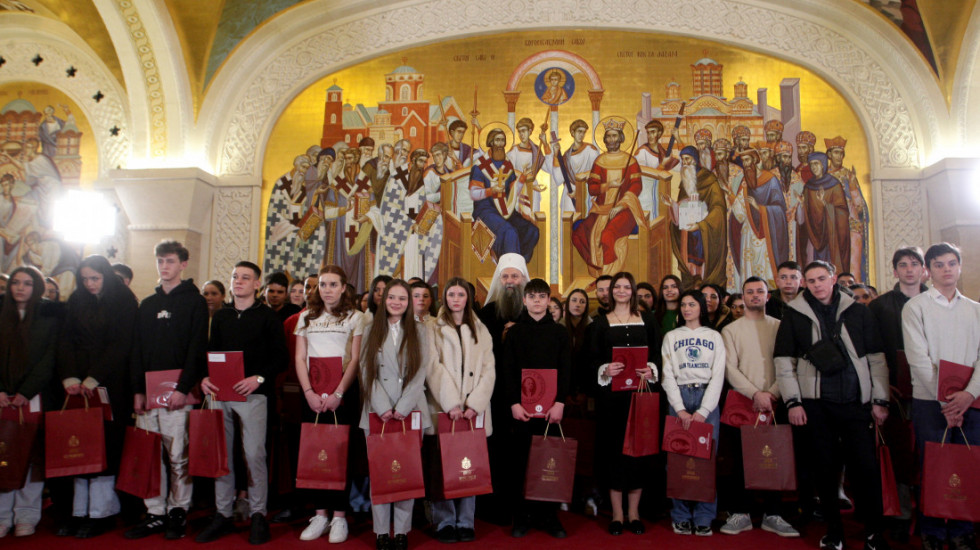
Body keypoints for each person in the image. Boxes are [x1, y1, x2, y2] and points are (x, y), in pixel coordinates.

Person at [774, 260, 890, 550]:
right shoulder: (794, 315)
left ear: (834, 278)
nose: (817, 285)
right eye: (811, 281)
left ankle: (874, 532)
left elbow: (876, 357)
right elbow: (784, 362)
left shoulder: (858, 311)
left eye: (821, 279)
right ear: (805, 284)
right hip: (816, 404)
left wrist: (880, 400)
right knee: (824, 470)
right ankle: (834, 531)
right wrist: (793, 402)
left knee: (865, 468)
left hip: (855, 402)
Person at [198, 261, 288, 545]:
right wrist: (204, 378)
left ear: (256, 284)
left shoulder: (267, 317)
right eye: (235, 277)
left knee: (253, 455)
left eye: (245, 278)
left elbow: (280, 359)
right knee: (222, 455)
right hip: (220, 393)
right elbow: (211, 352)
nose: (238, 281)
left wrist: (257, 379)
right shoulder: (222, 316)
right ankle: (223, 514)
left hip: (253, 395)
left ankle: (258, 514)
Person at [127, 240, 209, 540]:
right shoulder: (147, 304)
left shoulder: (194, 301)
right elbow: (137, 349)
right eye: (160, 261)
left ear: (183, 264)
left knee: (178, 455)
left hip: (179, 392)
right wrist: (137, 390)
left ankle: (178, 509)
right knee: (150, 454)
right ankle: (154, 511)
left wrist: (183, 387)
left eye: (170, 261)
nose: (164, 267)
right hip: (148, 392)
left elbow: (196, 349)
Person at [901, 243, 980, 550]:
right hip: (930, 403)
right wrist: (947, 401)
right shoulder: (916, 307)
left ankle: (962, 530)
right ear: (928, 271)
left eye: (952, 263)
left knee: (967, 466)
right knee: (932, 467)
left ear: (960, 267)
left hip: (971, 402)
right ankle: (931, 530)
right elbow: (918, 359)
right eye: (939, 265)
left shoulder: (975, 310)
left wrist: (968, 394)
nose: (946, 269)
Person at [56, 255, 138, 538]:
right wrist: (70, 377)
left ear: (105, 276)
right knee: (78, 446)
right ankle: (78, 511)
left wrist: (95, 377)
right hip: (77, 385)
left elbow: (122, 343)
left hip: (110, 384)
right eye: (85, 279)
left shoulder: (123, 300)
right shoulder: (77, 299)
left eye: (95, 278)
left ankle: (102, 512)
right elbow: (65, 339)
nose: (90, 284)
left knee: (105, 447)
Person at [719, 277, 799, 538]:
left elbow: (789, 363)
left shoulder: (781, 326)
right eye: (749, 292)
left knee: (775, 457)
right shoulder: (731, 330)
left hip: (776, 400)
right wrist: (755, 393)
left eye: (759, 292)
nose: (755, 296)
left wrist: (772, 393)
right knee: (740, 459)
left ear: (768, 296)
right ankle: (741, 513)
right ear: (742, 297)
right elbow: (730, 368)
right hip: (744, 401)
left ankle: (773, 514)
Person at [292, 266, 364, 543]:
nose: (328, 290)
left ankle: (340, 517)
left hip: (342, 396)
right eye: (323, 284)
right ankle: (320, 514)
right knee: (314, 453)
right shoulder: (305, 318)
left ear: (344, 287)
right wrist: (309, 392)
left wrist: (339, 393)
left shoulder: (356, 317)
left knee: (339, 454)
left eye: (333, 284)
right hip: (311, 395)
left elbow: (355, 359)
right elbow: (300, 358)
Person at [360, 279, 432, 550]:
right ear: (383, 299)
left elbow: (421, 371)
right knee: (380, 473)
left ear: (409, 301)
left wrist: (402, 406)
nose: (397, 302)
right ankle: (381, 532)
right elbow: (366, 372)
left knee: (406, 472)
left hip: (408, 410)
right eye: (392, 297)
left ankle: (401, 531)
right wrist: (382, 406)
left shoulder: (420, 331)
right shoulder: (370, 330)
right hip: (377, 411)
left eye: (403, 298)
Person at [592, 272, 662, 536]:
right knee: (614, 454)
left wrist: (652, 370)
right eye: (616, 287)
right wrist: (604, 369)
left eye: (626, 287)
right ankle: (617, 514)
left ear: (633, 291)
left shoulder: (649, 321)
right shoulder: (600, 324)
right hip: (612, 400)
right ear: (611, 292)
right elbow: (591, 359)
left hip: (641, 397)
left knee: (639, 454)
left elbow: (658, 353)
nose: (621, 291)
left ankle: (634, 513)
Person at [426, 277, 495, 543]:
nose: (456, 299)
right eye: (451, 294)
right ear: (444, 297)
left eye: (461, 294)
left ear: (468, 298)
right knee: (444, 466)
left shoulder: (480, 328)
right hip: (446, 408)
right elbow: (433, 367)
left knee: (470, 465)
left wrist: (475, 403)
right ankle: (444, 521)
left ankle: (466, 521)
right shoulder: (433, 327)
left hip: (472, 411)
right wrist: (452, 402)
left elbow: (489, 369)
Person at [503, 278, 571, 539]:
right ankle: (521, 516)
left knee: (549, 463)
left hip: (552, 412)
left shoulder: (559, 333)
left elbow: (566, 370)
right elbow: (508, 370)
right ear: (524, 300)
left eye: (542, 296)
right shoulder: (516, 332)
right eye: (532, 297)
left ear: (549, 300)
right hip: (523, 411)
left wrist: (560, 403)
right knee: (521, 463)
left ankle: (549, 516)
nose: (537, 301)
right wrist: (514, 403)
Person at [0, 266, 60, 537]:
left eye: (26, 283)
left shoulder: (48, 315)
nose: (20, 288)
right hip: (2, 397)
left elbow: (49, 358)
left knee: (31, 458)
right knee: (4, 455)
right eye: (15, 283)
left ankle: (26, 515)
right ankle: (2, 516)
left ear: (36, 287)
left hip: (34, 396)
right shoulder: (2, 312)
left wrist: (26, 390)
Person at [661, 289, 726, 536]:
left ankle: (704, 516)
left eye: (692, 304)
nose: (687, 309)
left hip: (706, 397)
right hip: (679, 395)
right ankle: (680, 515)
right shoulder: (671, 336)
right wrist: (679, 408)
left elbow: (718, 375)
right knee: (676, 460)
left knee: (705, 460)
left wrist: (704, 410)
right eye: (684, 305)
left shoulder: (714, 336)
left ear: (702, 307)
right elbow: (667, 374)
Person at [571, 120, 644, 276]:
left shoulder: (630, 161)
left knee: (607, 235)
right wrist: (609, 184)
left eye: (614, 136)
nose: (611, 140)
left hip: (624, 210)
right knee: (578, 235)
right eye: (608, 136)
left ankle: (610, 277)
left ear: (621, 138)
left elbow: (636, 186)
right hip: (601, 209)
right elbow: (592, 188)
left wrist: (621, 205)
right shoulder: (600, 161)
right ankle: (597, 271)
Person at [469, 129, 539, 263]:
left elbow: (513, 192)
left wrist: (522, 177)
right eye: (497, 140)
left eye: (502, 140)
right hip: (486, 211)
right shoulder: (480, 166)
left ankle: (519, 264)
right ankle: (509, 267)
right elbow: (474, 193)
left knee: (532, 230)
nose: (500, 144)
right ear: (490, 142)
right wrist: (491, 190)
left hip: (506, 210)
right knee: (509, 232)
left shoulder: (507, 165)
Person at [667, 146, 728, 288]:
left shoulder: (709, 179)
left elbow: (719, 208)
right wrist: (673, 206)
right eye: (682, 160)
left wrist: (701, 225)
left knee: (702, 265)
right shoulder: (685, 181)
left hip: (704, 234)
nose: (685, 163)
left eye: (687, 159)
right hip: (687, 235)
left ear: (695, 160)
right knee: (689, 264)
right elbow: (682, 205)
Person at [801, 153, 850, 275]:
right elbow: (806, 212)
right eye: (811, 164)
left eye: (816, 164)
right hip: (813, 234)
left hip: (830, 234)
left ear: (823, 165)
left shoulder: (834, 184)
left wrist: (825, 204)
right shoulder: (808, 186)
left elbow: (842, 210)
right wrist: (802, 205)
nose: (814, 167)